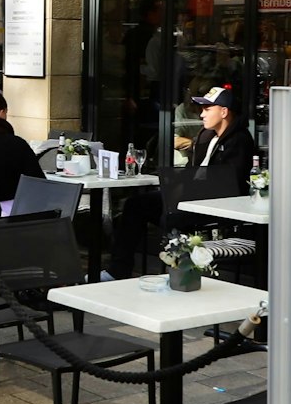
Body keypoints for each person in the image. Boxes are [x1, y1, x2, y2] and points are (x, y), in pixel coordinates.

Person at [108, 84, 256, 279]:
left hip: (213, 205)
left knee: (171, 216)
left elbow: (229, 182)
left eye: (207, 109)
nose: (201, 114)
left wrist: (184, 187)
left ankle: (179, 274)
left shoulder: (240, 140)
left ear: (224, 112)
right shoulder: (205, 135)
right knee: (135, 205)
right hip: (190, 198)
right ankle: (118, 270)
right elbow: (192, 170)